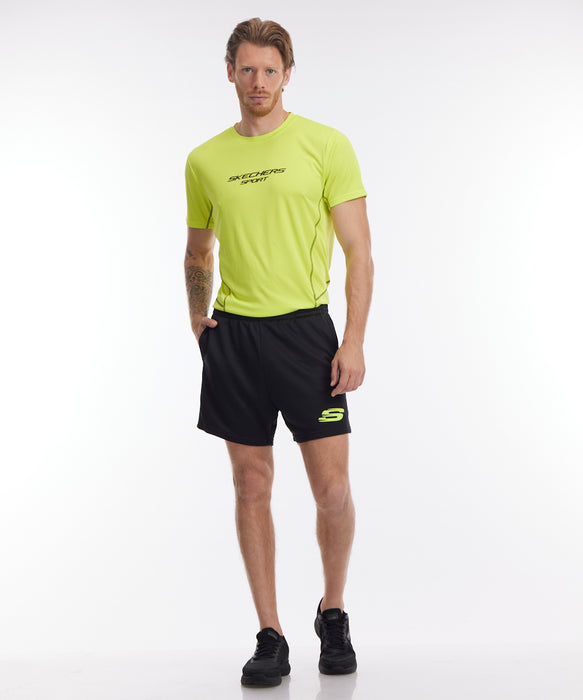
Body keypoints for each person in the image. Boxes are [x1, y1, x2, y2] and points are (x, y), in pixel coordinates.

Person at [184, 17, 373, 688]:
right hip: (235, 337)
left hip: (305, 334)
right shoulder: (204, 160)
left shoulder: (325, 144)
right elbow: (197, 250)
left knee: (332, 490)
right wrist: (199, 321)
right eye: (247, 69)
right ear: (229, 73)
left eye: (270, 70)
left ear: (287, 74)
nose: (258, 81)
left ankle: (332, 611)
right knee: (251, 484)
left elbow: (358, 251)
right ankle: (270, 633)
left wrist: (352, 339)